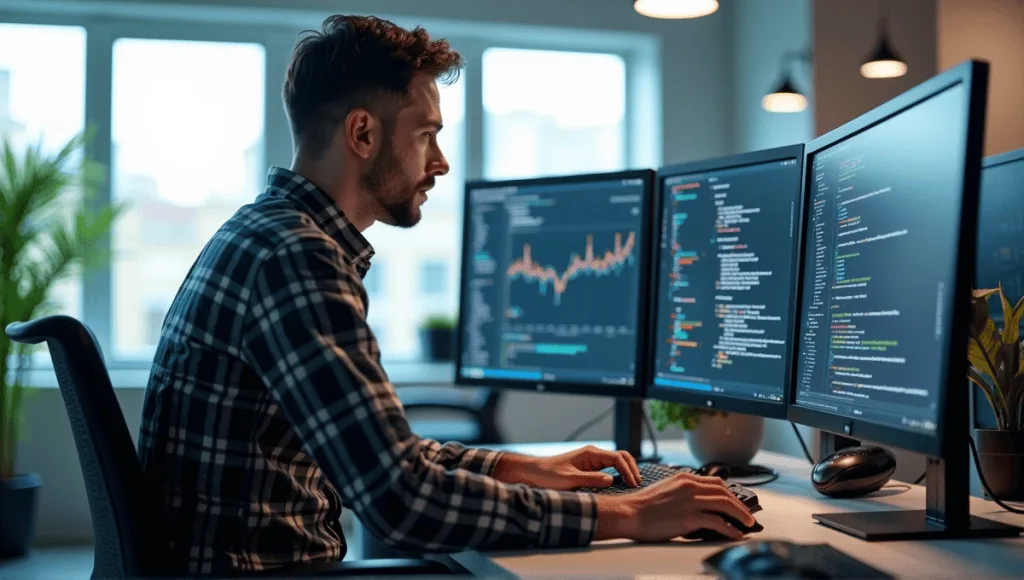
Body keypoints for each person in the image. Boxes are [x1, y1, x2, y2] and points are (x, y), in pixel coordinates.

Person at [137, 14, 755, 577]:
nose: (440, 162)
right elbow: (402, 503)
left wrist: (523, 468)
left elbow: (379, 455)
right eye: (426, 133)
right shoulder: (299, 259)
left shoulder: (266, 232)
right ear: (362, 134)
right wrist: (632, 516)